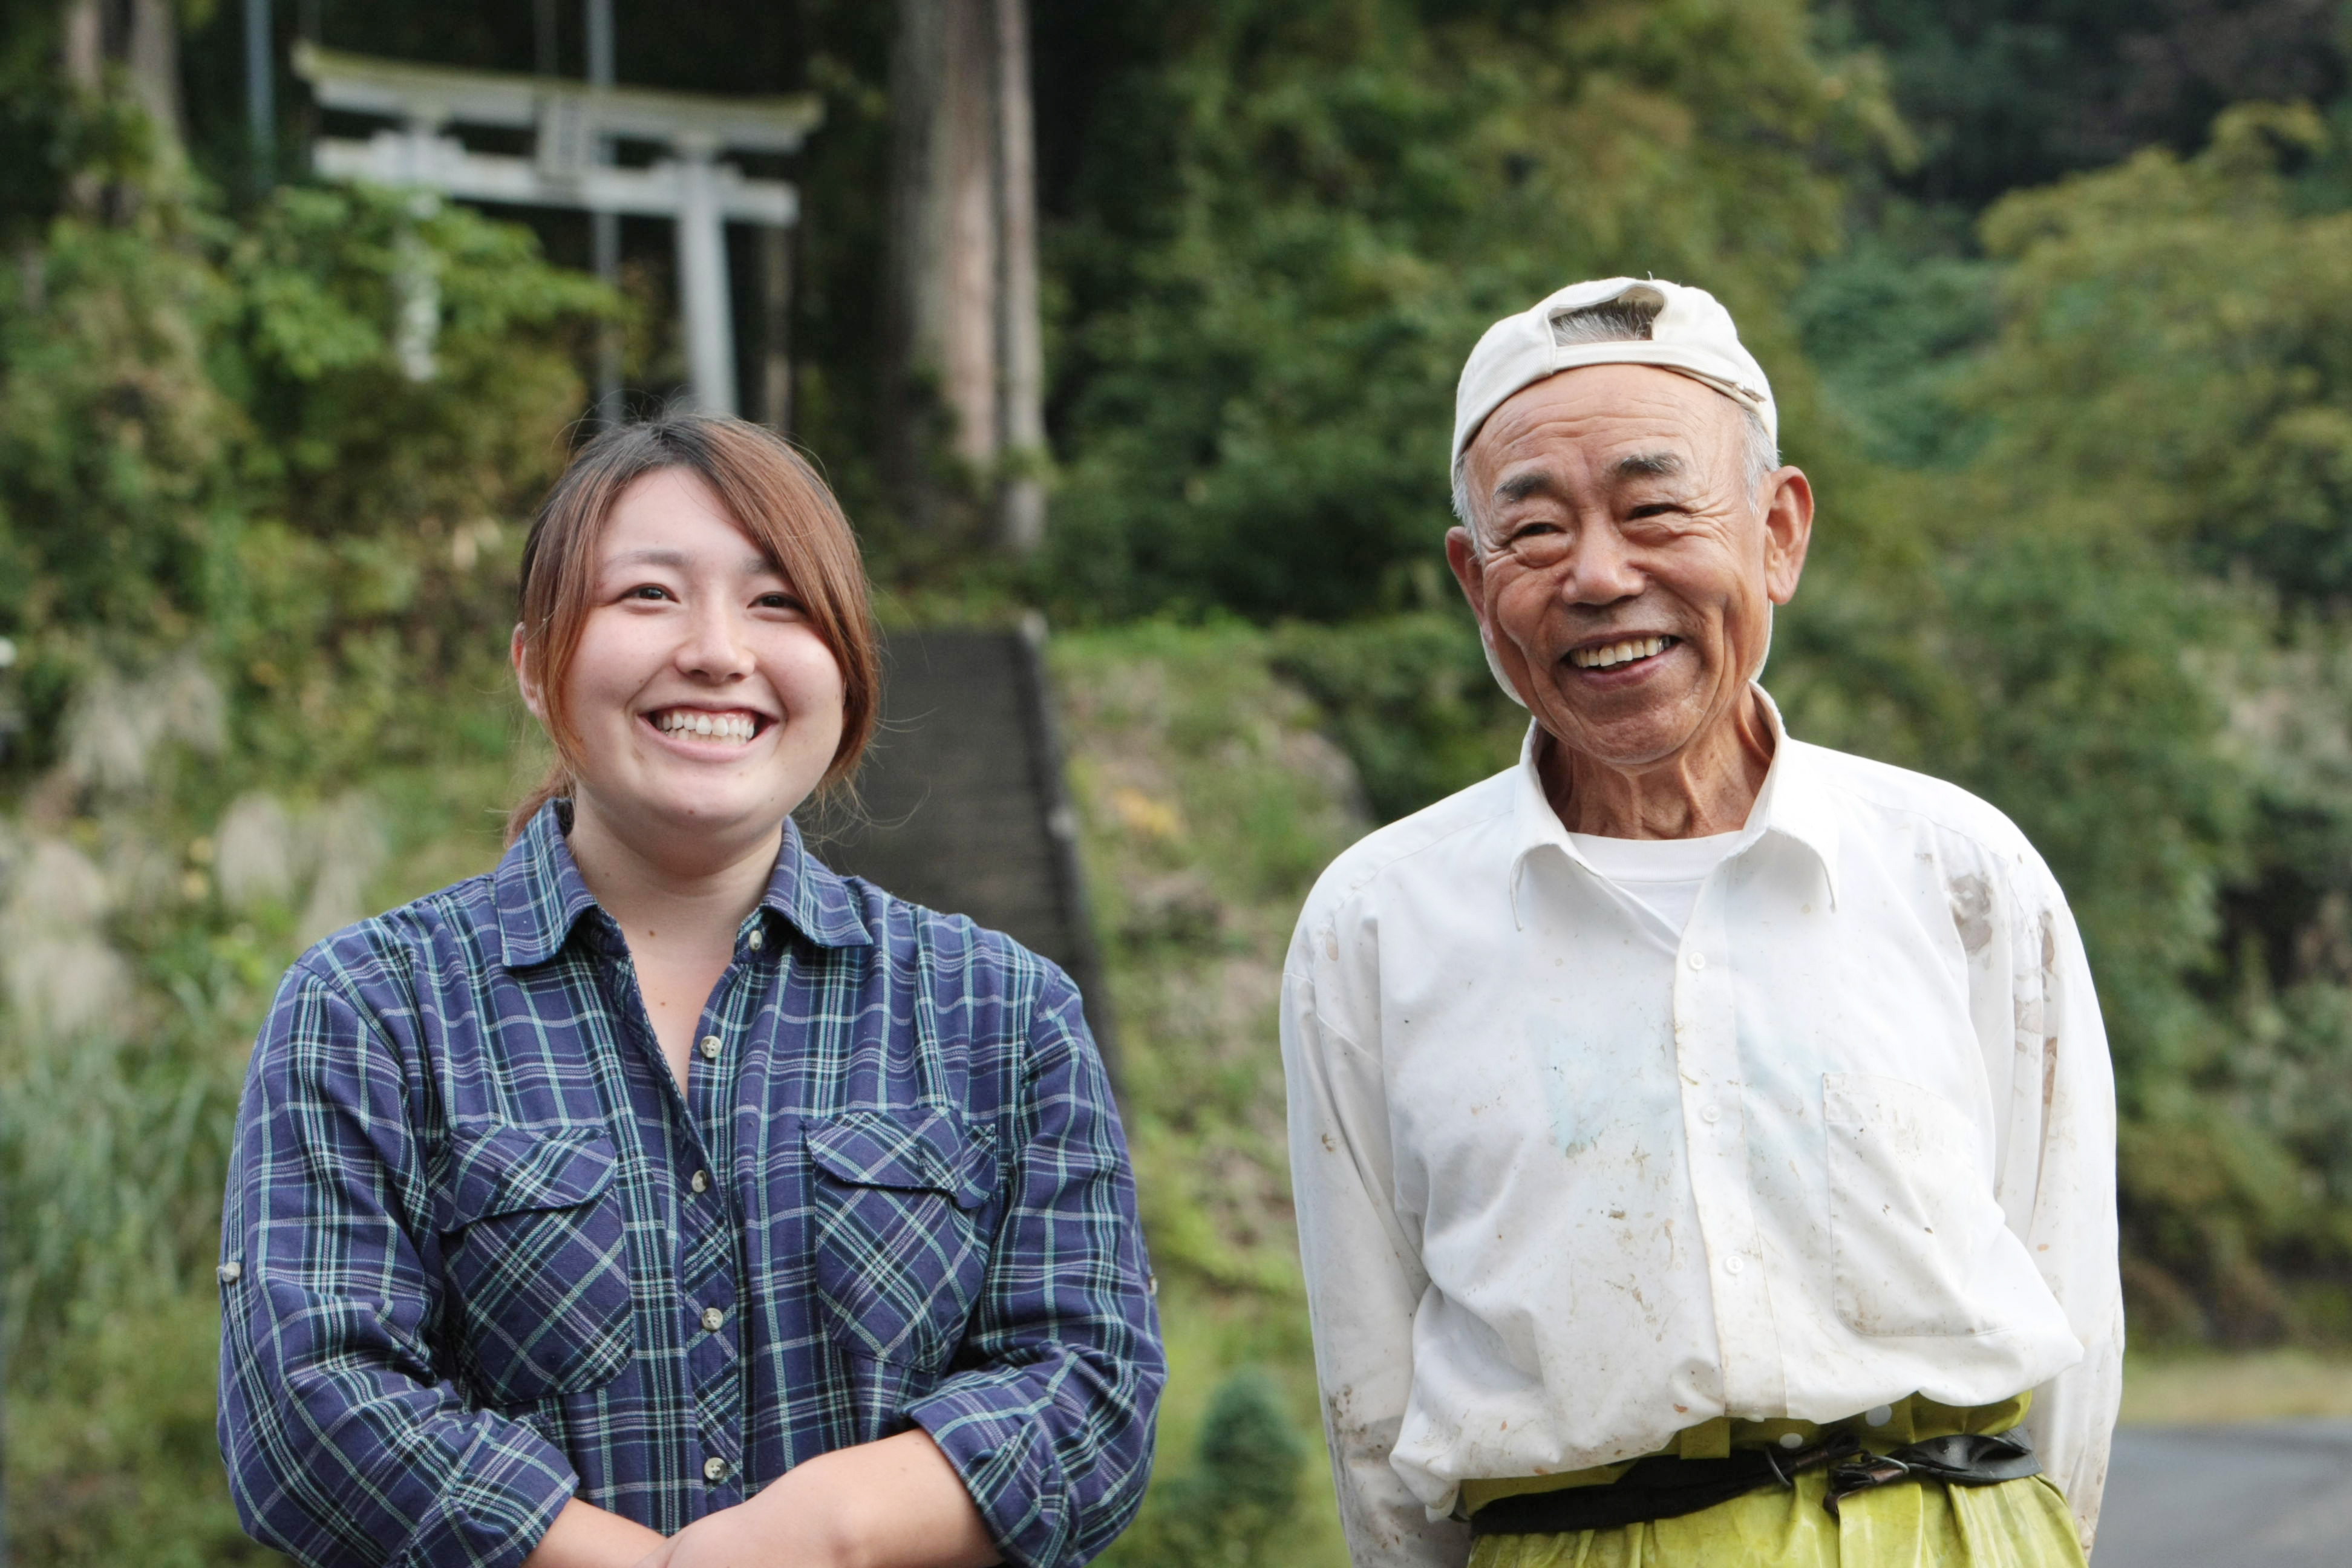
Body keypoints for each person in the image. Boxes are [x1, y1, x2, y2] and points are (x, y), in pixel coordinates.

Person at [218, 414, 1162, 1568]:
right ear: (534, 664)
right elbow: (304, 1408)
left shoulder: (1000, 1011)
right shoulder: (373, 1010)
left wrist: (821, 1535)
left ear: (848, 670)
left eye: (778, 603)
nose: (719, 651)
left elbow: (1091, 1394)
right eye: (649, 596)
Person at [1281, 278, 2122, 1568]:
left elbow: (2068, 1300)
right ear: (1474, 578)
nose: (1603, 577)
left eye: (1657, 507)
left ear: (1780, 534)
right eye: (1538, 532)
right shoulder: (1380, 922)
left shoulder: (1955, 871)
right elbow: (1371, 1388)